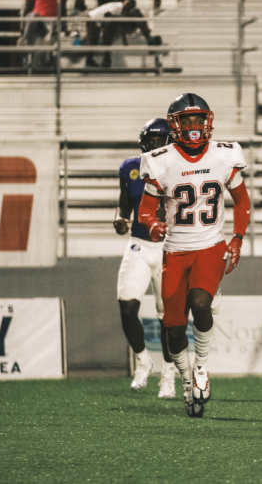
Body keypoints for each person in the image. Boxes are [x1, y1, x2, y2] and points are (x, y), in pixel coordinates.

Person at [137, 93, 250, 418]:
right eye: (186, 121)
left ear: (207, 121)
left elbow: (242, 201)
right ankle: (188, 383)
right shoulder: (161, 159)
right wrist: (152, 222)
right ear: (175, 125)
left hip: (210, 247)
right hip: (175, 252)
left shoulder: (224, 155)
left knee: (201, 303)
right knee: (173, 329)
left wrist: (237, 238)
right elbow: (145, 209)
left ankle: (201, 369)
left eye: (198, 119)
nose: (194, 126)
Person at [115, 118, 178, 397]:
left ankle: (168, 375)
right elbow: (125, 202)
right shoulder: (131, 168)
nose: (153, 145)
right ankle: (143, 360)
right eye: (150, 140)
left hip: (168, 247)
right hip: (139, 243)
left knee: (167, 318)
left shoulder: (178, 168)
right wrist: (120, 218)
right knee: (127, 305)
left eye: (159, 139)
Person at [75, 0, 161, 68]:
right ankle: (107, 57)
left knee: (135, 11)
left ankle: (149, 40)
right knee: (109, 20)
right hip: (108, 19)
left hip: (125, 17)